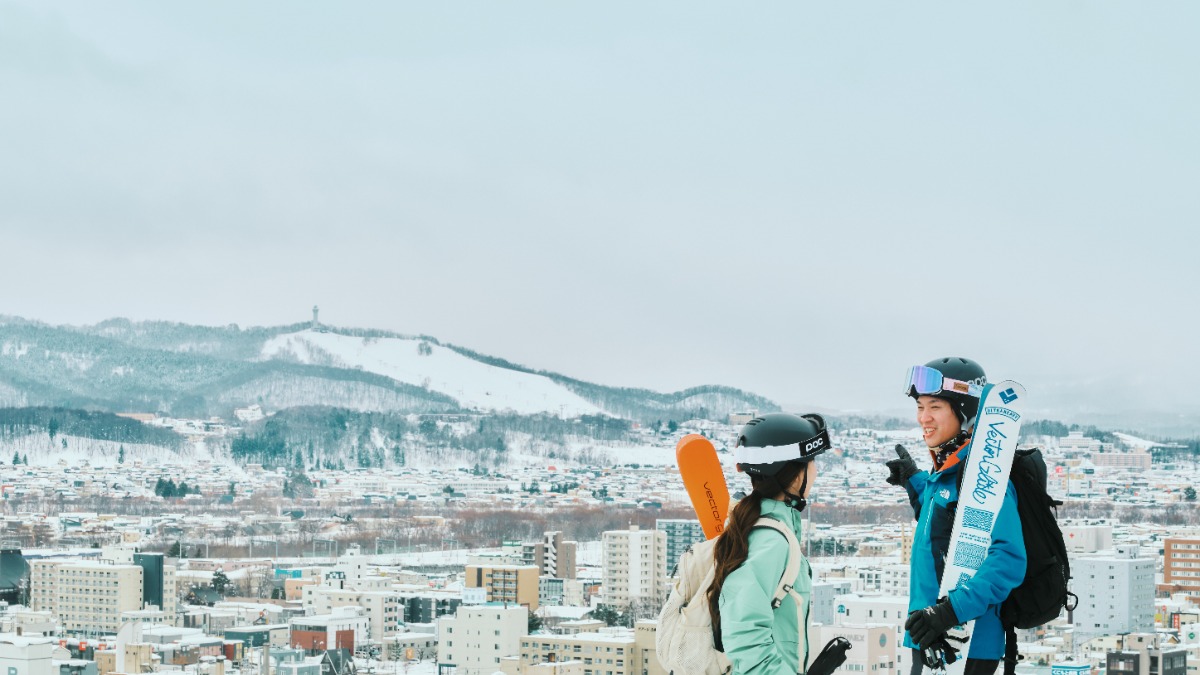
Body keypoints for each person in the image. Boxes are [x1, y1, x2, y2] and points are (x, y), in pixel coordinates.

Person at [887, 357, 1026, 675]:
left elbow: (1008, 558)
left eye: (934, 407)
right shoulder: (948, 473)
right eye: (920, 407)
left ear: (965, 414)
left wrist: (950, 612)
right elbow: (948, 528)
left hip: (965, 646)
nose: (924, 418)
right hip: (931, 636)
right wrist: (915, 480)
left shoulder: (984, 478)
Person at [706, 412, 832, 675]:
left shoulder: (756, 526)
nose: (816, 471)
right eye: (811, 462)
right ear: (795, 474)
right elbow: (745, 635)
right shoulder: (771, 542)